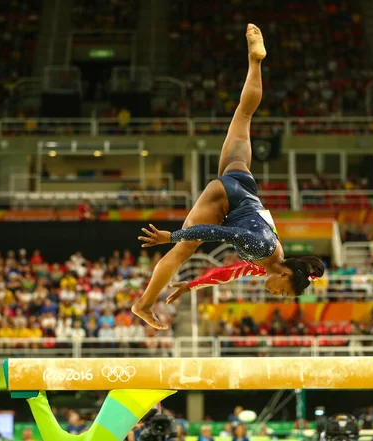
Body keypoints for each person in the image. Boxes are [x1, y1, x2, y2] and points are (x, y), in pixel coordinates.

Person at [133, 24, 324, 329]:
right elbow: (223, 234)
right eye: (283, 292)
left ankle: (255, 61)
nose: (276, 295)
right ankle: (143, 304)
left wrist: (191, 286)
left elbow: (227, 274)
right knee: (182, 250)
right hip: (227, 200)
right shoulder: (263, 249)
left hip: (244, 183)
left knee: (243, 115)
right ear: (286, 275)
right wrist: (173, 236)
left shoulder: (272, 261)